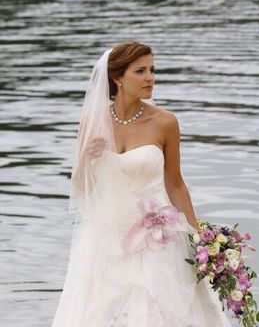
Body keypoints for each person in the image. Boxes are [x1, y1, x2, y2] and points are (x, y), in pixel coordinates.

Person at [51, 41, 232, 326]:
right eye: (140, 71)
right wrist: (86, 157)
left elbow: (175, 184)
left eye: (152, 70)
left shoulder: (165, 122)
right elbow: (82, 190)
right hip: (105, 241)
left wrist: (200, 238)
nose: (151, 78)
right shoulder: (92, 122)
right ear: (117, 78)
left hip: (158, 240)